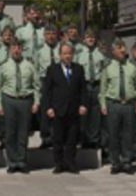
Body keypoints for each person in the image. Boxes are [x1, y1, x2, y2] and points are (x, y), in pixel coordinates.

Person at [0, 40, 40, 174]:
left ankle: (22, 161)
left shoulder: (29, 66)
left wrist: (36, 102)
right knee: (10, 133)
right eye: (14, 47)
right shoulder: (4, 66)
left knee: (23, 132)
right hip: (9, 100)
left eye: (19, 47)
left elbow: (37, 86)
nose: (16, 50)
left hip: (25, 101)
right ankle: (12, 162)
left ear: (22, 49)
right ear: (10, 49)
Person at [99, 41, 136, 175]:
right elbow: (103, 88)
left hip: (129, 104)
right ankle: (115, 163)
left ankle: (127, 162)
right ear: (113, 51)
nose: (122, 50)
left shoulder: (133, 66)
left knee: (128, 135)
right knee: (113, 135)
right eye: (119, 48)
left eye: (124, 48)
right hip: (113, 104)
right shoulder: (107, 67)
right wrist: (103, 105)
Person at [43, 43, 86, 174]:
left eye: (69, 53)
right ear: (60, 55)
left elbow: (83, 89)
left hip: (73, 110)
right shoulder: (52, 69)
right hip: (58, 109)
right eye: (65, 54)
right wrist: (48, 107)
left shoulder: (78, 69)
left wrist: (83, 105)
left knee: (72, 139)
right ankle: (58, 164)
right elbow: (47, 91)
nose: (67, 56)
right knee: (58, 139)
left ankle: (70, 163)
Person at [74, 30, 108, 149]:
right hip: (85, 85)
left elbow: (105, 71)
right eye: (88, 37)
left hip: (97, 85)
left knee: (96, 114)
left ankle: (94, 139)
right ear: (84, 39)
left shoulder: (101, 54)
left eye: (92, 37)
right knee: (84, 113)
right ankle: (84, 139)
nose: (90, 39)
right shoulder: (78, 54)